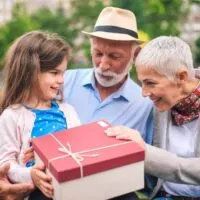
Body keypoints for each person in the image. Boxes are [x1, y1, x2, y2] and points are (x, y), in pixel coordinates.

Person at [63, 7, 153, 199]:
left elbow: (148, 176)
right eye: (97, 53)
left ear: (135, 56)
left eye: (114, 56)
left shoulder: (146, 105)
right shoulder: (64, 82)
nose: (103, 65)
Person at [106, 36, 200, 199]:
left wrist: (146, 153)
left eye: (150, 83)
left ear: (181, 77)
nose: (144, 93)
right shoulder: (162, 104)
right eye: (142, 83)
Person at [0, 31, 80, 199]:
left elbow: (80, 148)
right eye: (54, 73)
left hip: (72, 183)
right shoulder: (12, 116)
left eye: (63, 73)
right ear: (30, 72)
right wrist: (31, 174)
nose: (61, 80)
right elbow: (7, 164)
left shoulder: (68, 111)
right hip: (40, 189)